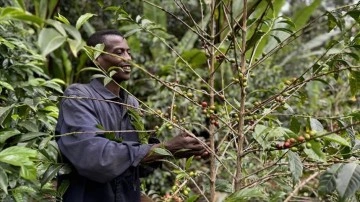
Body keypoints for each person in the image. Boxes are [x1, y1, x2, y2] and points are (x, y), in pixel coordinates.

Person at [55, 29, 209, 202]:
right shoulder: (78, 96)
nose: (128, 58)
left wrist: (172, 151)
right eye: (119, 52)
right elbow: (95, 157)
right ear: (96, 58)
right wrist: (164, 149)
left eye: (129, 52)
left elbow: (135, 166)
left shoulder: (131, 103)